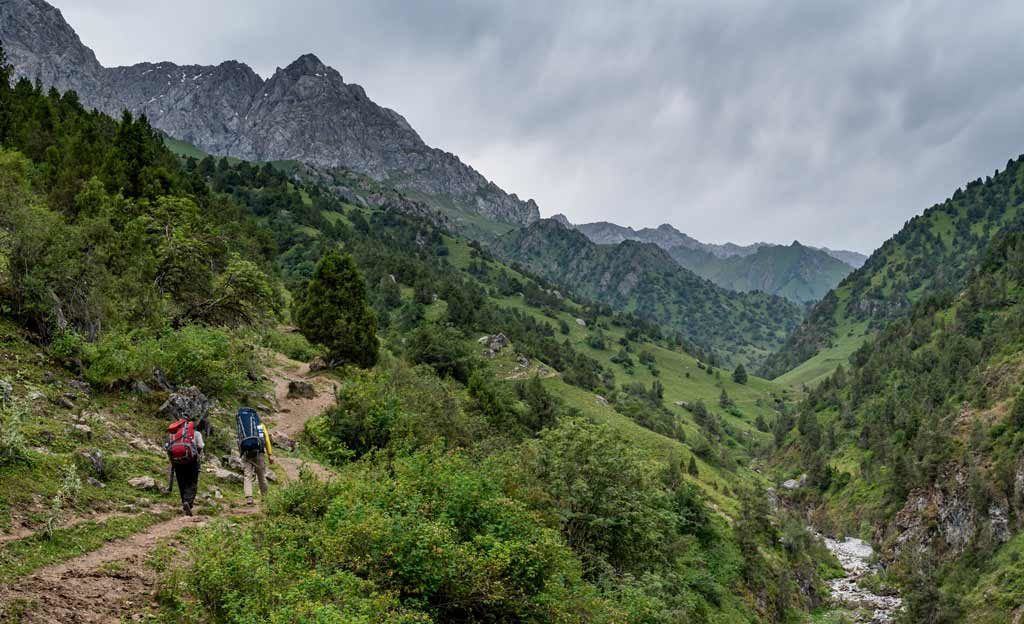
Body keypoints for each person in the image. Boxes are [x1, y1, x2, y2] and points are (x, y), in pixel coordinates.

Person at [166, 416, 204, 516]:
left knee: (181, 481)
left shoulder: (174, 434)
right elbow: (200, 446)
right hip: (192, 461)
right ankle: (188, 502)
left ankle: (184, 502)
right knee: (192, 482)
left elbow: (168, 446)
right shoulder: (196, 433)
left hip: (177, 461)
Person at [236, 407, 274, 505]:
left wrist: (241, 453)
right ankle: (265, 497)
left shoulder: (241, 425)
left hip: (246, 453)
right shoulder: (260, 426)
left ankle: (249, 497)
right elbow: (265, 440)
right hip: (258, 453)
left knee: (247, 475)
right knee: (261, 475)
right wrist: (270, 454)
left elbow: (239, 439)